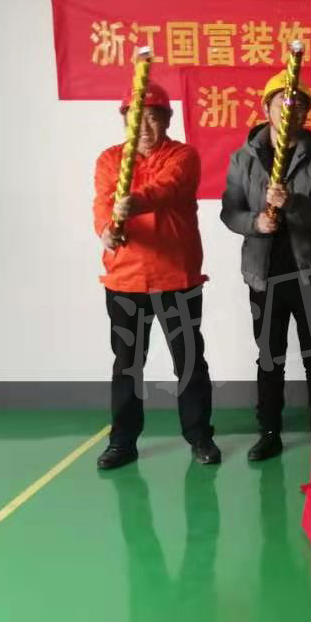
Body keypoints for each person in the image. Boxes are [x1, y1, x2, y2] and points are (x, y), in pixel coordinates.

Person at [93, 82, 219, 469]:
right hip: (125, 281)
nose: (144, 127)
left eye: (152, 118)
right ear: (124, 121)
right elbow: (102, 204)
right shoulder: (110, 159)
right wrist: (106, 230)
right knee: (127, 364)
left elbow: (167, 187)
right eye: (136, 118)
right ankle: (122, 442)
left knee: (189, 361)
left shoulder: (183, 156)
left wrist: (134, 202)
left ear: (167, 120)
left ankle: (200, 436)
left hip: (176, 279)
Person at [220, 68, 311, 462]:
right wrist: (256, 223)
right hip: (264, 274)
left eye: (299, 106)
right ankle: (269, 430)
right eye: (283, 103)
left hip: (309, 274)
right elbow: (229, 212)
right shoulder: (244, 158)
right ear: (266, 109)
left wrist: (293, 204)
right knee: (269, 356)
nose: (291, 111)